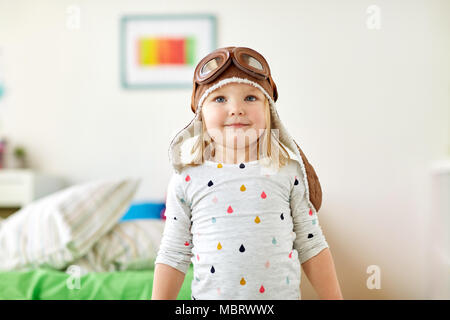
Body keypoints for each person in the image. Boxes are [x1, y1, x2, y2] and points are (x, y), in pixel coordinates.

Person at [152, 46, 343, 300]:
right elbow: (173, 253)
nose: (236, 109)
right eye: (220, 99)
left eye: (250, 98)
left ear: (269, 110)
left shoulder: (288, 172)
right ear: (201, 113)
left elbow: (312, 244)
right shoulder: (185, 179)